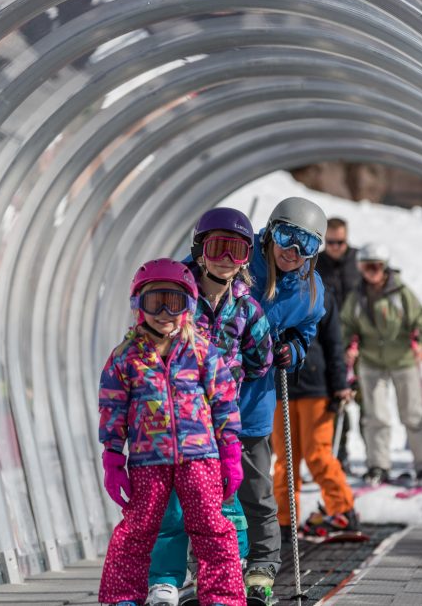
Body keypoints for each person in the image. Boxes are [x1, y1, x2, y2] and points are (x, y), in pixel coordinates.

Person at [97, 259, 246, 606]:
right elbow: (113, 409)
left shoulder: (201, 352)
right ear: (138, 305)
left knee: (212, 527)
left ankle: (221, 596)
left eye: (174, 303)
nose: (164, 312)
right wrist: (113, 457)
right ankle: (123, 596)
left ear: (189, 307)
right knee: (137, 529)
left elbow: (224, 401)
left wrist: (230, 452)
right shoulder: (125, 358)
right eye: (154, 302)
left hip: (200, 458)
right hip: (149, 460)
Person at [146, 209, 273, 606]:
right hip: (174, 421)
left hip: (219, 423)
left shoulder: (247, 309)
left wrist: (231, 376)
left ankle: (222, 576)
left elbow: (261, 360)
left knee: (224, 502)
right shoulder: (179, 298)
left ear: (246, 257)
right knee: (174, 506)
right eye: (217, 247)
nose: (225, 258)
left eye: (236, 250)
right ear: (200, 250)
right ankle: (167, 579)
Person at [240, 197, 327, 604]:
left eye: (305, 245)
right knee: (207, 496)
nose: (292, 252)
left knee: (257, 492)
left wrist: (294, 346)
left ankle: (261, 569)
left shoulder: (309, 289)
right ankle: (213, 567)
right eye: (287, 237)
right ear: (270, 231)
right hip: (205, 403)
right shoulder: (239, 265)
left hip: (254, 404)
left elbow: (307, 326)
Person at [341, 243, 422, 486]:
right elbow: (346, 324)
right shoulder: (357, 296)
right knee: (376, 416)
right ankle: (378, 465)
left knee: (413, 414)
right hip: (372, 361)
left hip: (403, 359)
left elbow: (421, 321)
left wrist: (420, 341)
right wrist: (349, 344)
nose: (371, 271)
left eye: (376, 266)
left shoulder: (400, 293)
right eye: (366, 266)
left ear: (384, 267)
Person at [272, 285, 358, 538]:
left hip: (315, 386)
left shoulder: (319, 293)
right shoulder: (268, 289)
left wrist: (340, 384)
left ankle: (343, 509)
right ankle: (285, 519)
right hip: (280, 388)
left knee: (317, 454)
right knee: (285, 458)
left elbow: (334, 343)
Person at [315, 216, 362, 472]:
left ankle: (375, 460)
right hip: (330, 343)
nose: (335, 247)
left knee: (365, 404)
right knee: (335, 400)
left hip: (359, 344)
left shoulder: (358, 261)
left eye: (340, 242)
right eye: (330, 242)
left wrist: (357, 344)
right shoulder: (317, 264)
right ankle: (337, 454)